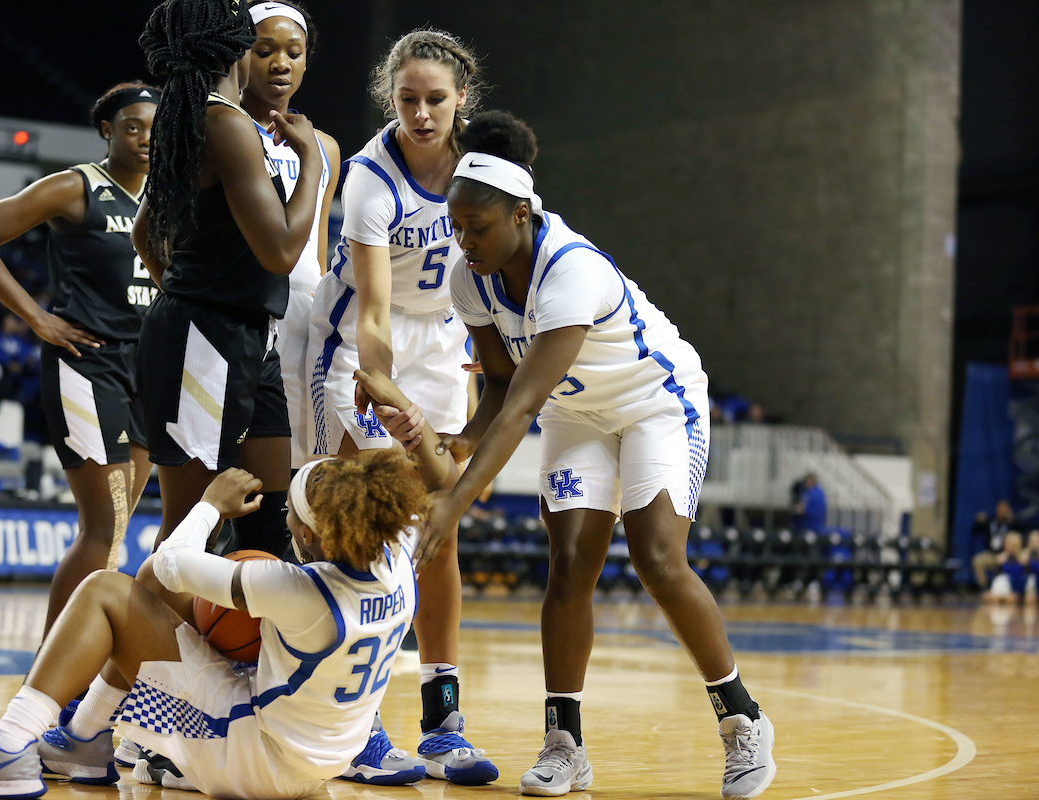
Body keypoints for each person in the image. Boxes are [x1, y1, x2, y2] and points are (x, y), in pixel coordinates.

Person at [397, 111, 775, 798]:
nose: (465, 241)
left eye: (477, 228)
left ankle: (742, 720)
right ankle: (563, 741)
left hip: (656, 402)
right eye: (456, 228)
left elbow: (519, 409)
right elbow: (501, 388)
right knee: (569, 565)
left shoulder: (571, 271)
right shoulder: (469, 278)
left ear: (519, 214)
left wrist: (453, 504)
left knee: (658, 558)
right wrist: (453, 444)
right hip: (577, 413)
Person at [0, 368, 458, 800]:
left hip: (253, 758)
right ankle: (83, 742)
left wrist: (209, 506)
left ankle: (3, 753)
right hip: (321, 763)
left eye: (290, 514)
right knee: (167, 611)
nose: (285, 523)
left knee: (108, 592)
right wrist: (402, 412)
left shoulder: (292, 588)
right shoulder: (398, 559)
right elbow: (443, 479)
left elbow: (162, 568)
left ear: (311, 539)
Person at [304, 28, 498, 785]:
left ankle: (443, 717)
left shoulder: (483, 169)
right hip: (358, 338)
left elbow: (493, 270)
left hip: (445, 336)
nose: (422, 114)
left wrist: (484, 363)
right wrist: (381, 389)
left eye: (436, 100)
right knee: (353, 523)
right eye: (408, 99)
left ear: (462, 100)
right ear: (392, 98)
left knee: (439, 524)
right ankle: (352, 723)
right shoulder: (368, 179)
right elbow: (376, 310)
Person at [0, 81, 161, 634]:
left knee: (116, 531)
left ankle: (74, 673)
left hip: (149, 368)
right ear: (106, 131)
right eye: (132, 126)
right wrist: (36, 317)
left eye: (154, 127)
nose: (144, 137)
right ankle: (50, 675)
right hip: (88, 363)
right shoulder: (76, 187)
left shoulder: (170, 198)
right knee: (104, 528)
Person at [130, 0, 321, 567]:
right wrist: (310, 161)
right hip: (207, 337)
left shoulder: (192, 117)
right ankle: (132, 657)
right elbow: (283, 251)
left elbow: (145, 234)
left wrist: (188, 299)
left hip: (243, 335)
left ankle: (243, 657)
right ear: (235, 49)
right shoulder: (226, 124)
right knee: (190, 529)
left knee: (265, 512)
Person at [241, 0, 340, 477]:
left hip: (303, 315)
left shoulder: (326, 147)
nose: (281, 62)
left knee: (303, 470)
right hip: (240, 306)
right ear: (240, 53)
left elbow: (317, 245)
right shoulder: (224, 128)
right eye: (264, 50)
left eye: (293, 52)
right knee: (233, 472)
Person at [972, 499, 1014, 589]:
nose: (1002, 511)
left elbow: (1019, 537)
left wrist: (1011, 519)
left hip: (1007, 554)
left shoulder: (1012, 524)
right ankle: (984, 587)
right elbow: (976, 530)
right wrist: (978, 521)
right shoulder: (990, 521)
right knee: (978, 560)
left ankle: (1012, 588)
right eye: (1000, 509)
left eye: (1004, 509)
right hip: (991, 553)